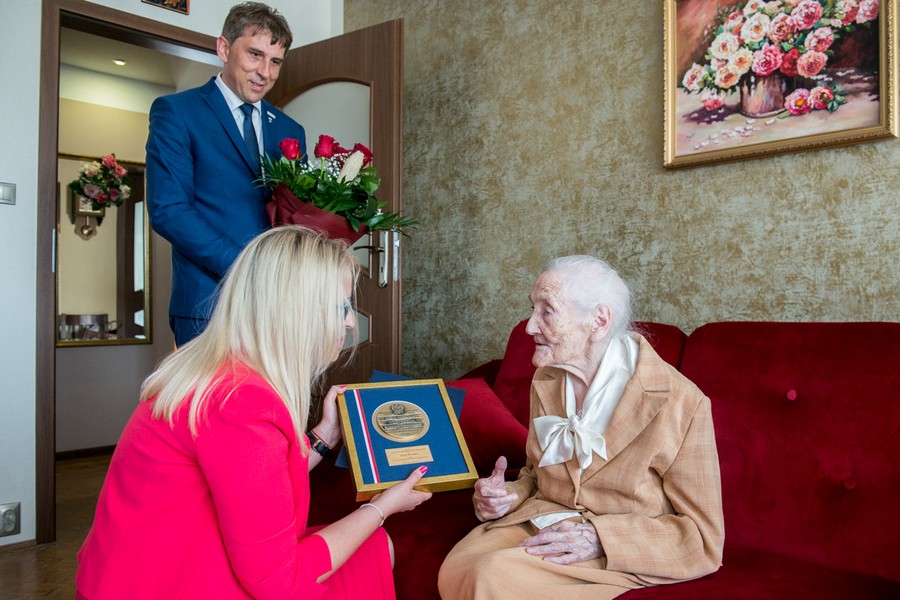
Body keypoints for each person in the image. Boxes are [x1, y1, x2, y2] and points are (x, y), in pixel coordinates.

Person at [75, 226, 432, 599]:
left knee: (372, 547)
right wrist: (381, 509)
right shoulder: (240, 401)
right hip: (173, 584)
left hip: (139, 574)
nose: (350, 322)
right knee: (374, 545)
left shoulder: (213, 371)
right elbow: (278, 582)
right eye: (342, 307)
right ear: (296, 312)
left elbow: (252, 480)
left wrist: (325, 435)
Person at [438, 256, 724, 599]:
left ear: (598, 321)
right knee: (457, 568)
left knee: (492, 576)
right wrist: (508, 495)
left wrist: (600, 537)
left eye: (547, 311)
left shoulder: (680, 402)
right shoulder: (547, 377)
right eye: (532, 308)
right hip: (545, 519)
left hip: (618, 546)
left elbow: (703, 537)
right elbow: (537, 473)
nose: (529, 326)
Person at [146, 2, 307, 346]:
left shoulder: (290, 130)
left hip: (276, 307)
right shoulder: (177, 112)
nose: (265, 72)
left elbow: (296, 214)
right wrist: (246, 267)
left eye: (275, 61)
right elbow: (169, 211)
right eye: (255, 54)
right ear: (223, 48)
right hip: (207, 302)